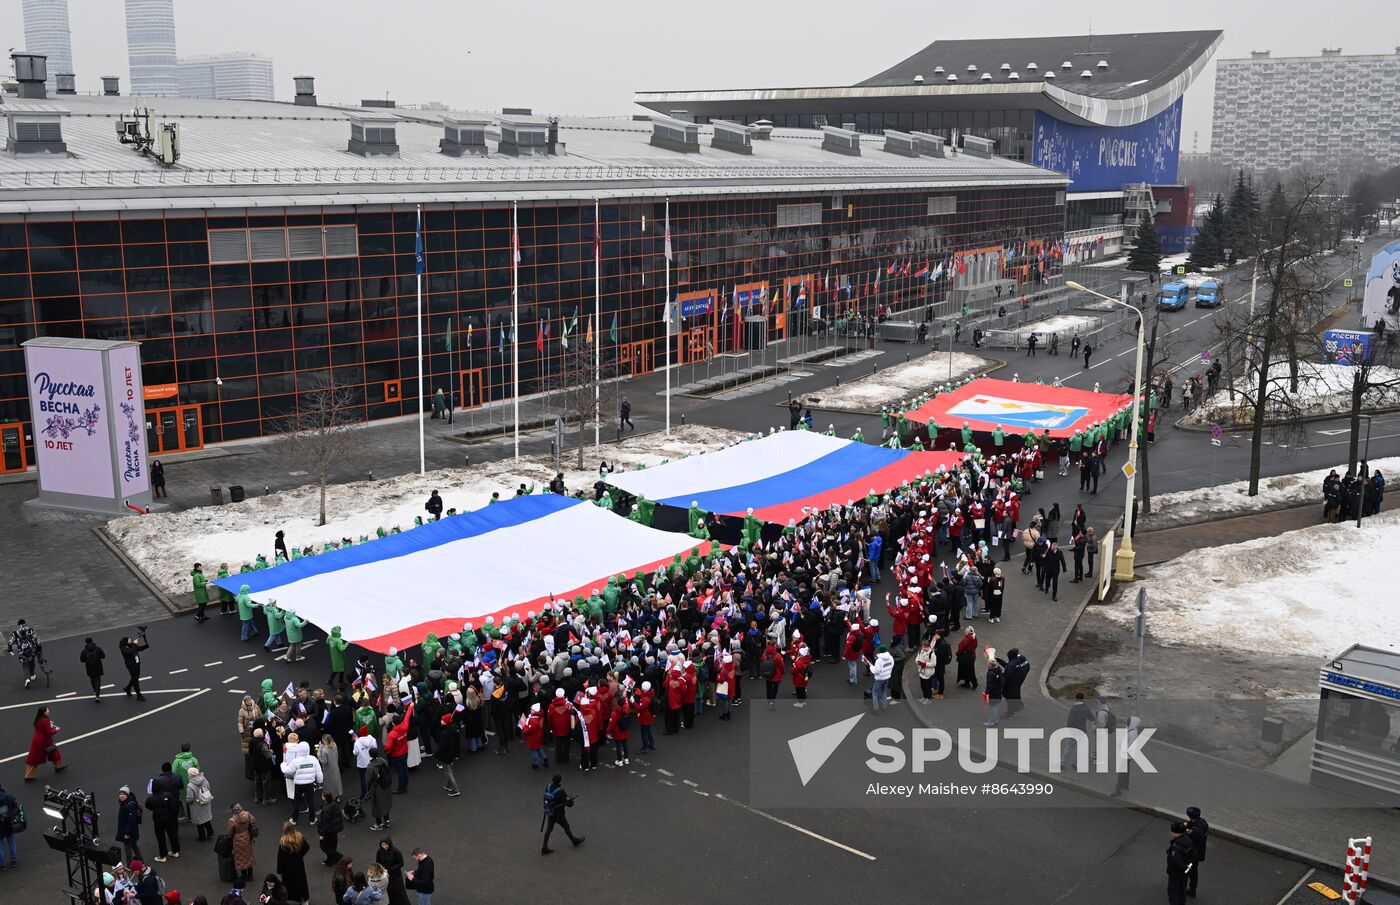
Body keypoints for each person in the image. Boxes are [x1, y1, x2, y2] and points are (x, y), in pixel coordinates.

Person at [540, 774, 584, 855]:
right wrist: (571, 801)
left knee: (549, 829)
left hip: (550, 811)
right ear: (560, 781)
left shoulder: (548, 787)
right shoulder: (560, 791)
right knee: (566, 827)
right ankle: (574, 841)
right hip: (559, 814)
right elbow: (568, 803)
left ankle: (544, 847)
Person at [146, 762, 181, 862]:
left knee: (160, 837)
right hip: (169, 818)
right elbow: (174, 806)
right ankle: (175, 851)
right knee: (172, 834)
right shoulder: (168, 795)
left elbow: (148, 806)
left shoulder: (151, 799)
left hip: (158, 820)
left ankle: (162, 856)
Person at [24, 705, 64, 781]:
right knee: (54, 753)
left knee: (34, 758)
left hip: (37, 740)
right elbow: (48, 732)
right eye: (47, 710)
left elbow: (42, 728)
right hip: (44, 741)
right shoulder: (46, 720)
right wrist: (56, 729)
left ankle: (29, 775)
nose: (48, 711)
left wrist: (49, 725)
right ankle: (58, 766)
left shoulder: (38, 719)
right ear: (44, 713)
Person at [1059, 692, 1095, 769]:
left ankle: (1062, 763)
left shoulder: (1073, 708)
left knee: (1069, 747)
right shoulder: (1086, 708)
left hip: (1074, 731)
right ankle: (1078, 764)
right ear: (1083, 699)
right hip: (1082, 731)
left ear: (1076, 698)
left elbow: (1070, 721)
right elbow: (1092, 719)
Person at [1166, 821, 1198, 905]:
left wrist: (1185, 869)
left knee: (1173, 893)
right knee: (1182, 891)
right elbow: (1194, 855)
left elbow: (1176, 861)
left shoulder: (1175, 847)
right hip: (1184, 873)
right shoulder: (1188, 839)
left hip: (1175, 873)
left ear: (1175, 833)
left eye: (1172, 831)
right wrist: (1188, 868)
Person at [5, 618, 42, 687]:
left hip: (22, 652)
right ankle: (32, 675)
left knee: (25, 665)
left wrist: (10, 649)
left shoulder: (15, 633)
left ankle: (27, 679)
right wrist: (38, 647)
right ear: (25, 623)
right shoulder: (30, 630)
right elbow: (36, 639)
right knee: (32, 662)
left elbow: (10, 642)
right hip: (31, 650)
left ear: (19, 625)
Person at [375, 836, 409, 905]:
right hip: (384, 875)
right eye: (382, 845)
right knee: (387, 891)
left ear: (389, 843)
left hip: (395, 876)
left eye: (385, 844)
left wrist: (389, 869)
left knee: (398, 893)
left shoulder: (396, 851)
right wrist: (381, 869)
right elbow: (378, 862)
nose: (384, 846)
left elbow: (400, 864)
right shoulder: (379, 851)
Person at [226, 804, 256, 881]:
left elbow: (230, 833)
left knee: (240, 857)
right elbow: (253, 820)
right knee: (248, 856)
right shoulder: (247, 814)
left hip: (237, 840)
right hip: (247, 836)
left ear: (233, 811)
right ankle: (250, 875)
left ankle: (244, 876)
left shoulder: (232, 820)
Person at [1185, 806, 1209, 897]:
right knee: (1193, 872)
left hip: (1192, 856)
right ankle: (1192, 890)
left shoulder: (1195, 830)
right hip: (1198, 853)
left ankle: (1187, 890)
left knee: (1187, 871)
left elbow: (1186, 837)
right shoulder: (1202, 823)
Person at [116, 785, 144, 863]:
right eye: (120, 794)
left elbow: (131, 821)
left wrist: (127, 833)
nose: (121, 796)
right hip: (130, 830)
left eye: (123, 794)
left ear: (127, 795)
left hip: (129, 831)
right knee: (134, 845)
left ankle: (130, 863)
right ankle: (140, 860)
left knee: (127, 847)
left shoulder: (130, 805)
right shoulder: (125, 802)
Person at [366, 749, 392, 832]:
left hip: (377, 787)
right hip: (386, 785)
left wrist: (368, 788)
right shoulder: (383, 760)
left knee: (377, 805)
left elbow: (368, 779)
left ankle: (378, 824)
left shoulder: (371, 765)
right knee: (385, 802)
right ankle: (387, 820)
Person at [186, 767, 215, 842]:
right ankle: (210, 832)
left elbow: (190, 798)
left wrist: (187, 801)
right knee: (206, 818)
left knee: (199, 822)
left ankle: (202, 837)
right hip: (206, 801)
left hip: (197, 805)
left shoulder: (190, 786)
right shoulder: (203, 779)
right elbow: (208, 787)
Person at [317, 793, 344, 867]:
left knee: (325, 847)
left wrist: (322, 834)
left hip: (328, 831)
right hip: (334, 830)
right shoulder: (334, 804)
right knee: (333, 845)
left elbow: (325, 824)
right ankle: (330, 861)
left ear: (324, 797)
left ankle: (340, 858)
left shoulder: (325, 809)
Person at [121, 631, 149, 701]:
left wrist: (146, 644)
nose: (131, 640)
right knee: (135, 679)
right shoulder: (124, 649)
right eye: (129, 640)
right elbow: (131, 651)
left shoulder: (132, 645)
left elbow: (139, 649)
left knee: (135, 678)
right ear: (126, 642)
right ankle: (139, 694)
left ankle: (127, 688)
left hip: (137, 664)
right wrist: (134, 644)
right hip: (131, 666)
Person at [1003, 648, 1029, 716]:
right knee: (1016, 690)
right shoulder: (1021, 657)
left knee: (1009, 696)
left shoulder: (1011, 665)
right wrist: (999, 660)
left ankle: (1010, 712)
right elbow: (1009, 666)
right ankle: (1019, 704)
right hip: (1021, 676)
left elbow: (1007, 675)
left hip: (1014, 679)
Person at [982, 648, 1005, 727]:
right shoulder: (998, 669)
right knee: (995, 707)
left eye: (988, 663)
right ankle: (995, 720)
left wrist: (986, 693)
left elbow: (989, 685)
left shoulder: (990, 673)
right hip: (998, 692)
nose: (987, 664)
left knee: (992, 707)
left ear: (991, 665)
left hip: (993, 693)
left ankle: (991, 721)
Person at [869, 644, 894, 712]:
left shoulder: (879, 661)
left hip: (879, 679)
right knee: (884, 691)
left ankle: (876, 709)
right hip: (887, 678)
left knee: (874, 692)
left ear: (880, 651)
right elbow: (892, 665)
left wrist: (871, 667)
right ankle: (884, 707)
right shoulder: (891, 657)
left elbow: (876, 671)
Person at [0, 782, 19, 870]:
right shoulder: (7, 796)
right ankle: (14, 859)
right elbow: (16, 807)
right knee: (11, 841)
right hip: (8, 823)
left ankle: (2, 864)